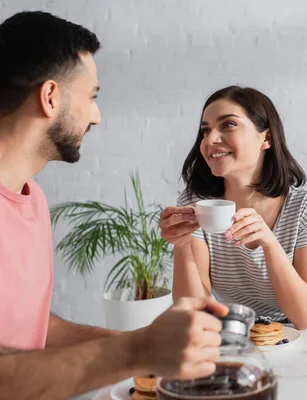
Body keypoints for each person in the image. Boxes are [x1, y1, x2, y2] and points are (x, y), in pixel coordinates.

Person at [0, 11, 226, 399]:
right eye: (92, 97)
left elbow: (29, 331)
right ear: (50, 97)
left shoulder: (31, 199)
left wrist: (149, 344)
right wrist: (136, 350)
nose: (97, 116)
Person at [159, 86, 307, 330]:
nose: (209, 140)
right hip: (235, 323)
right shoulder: (196, 202)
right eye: (205, 131)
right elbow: (194, 306)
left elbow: (304, 317)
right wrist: (183, 243)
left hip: (300, 324)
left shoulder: (303, 206)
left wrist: (270, 244)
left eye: (228, 124)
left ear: (267, 138)